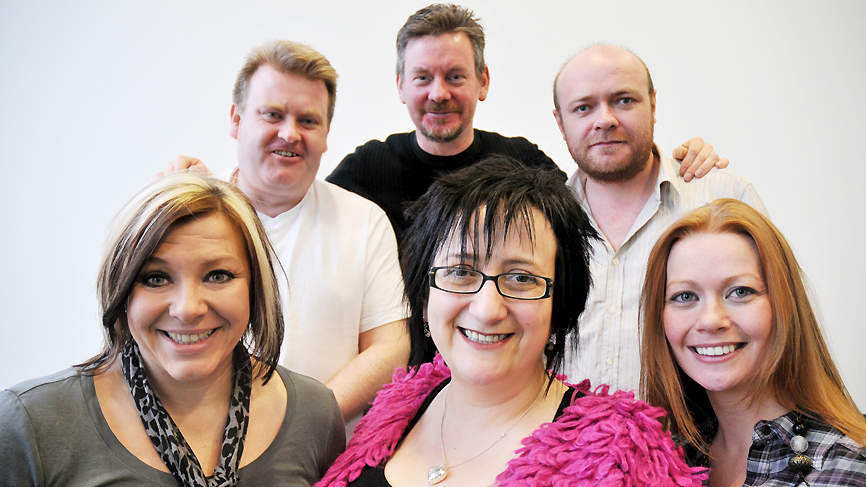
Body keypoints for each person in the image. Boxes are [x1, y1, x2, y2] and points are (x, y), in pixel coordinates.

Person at [314, 156, 706, 487]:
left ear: (560, 304)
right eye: (460, 271)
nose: (486, 309)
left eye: (521, 278)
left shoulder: (621, 455)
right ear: (424, 294)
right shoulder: (390, 411)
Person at [0, 173, 345, 486]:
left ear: (256, 287)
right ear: (120, 291)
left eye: (218, 275)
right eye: (155, 278)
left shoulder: (314, 414)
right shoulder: (29, 424)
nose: (188, 309)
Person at [162, 40, 408, 423]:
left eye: (308, 120)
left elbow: (390, 347)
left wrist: (298, 424)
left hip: (320, 461)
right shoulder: (186, 217)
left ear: (327, 133)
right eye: (273, 115)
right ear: (236, 119)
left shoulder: (365, 222)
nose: (290, 134)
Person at [326, 3, 723, 238]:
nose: (439, 93)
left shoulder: (521, 161)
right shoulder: (365, 169)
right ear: (400, 86)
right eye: (422, 78)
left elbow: (601, 196)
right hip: (400, 374)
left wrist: (683, 159)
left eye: (455, 76)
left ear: (483, 81)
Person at [553, 44, 768, 393]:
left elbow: (777, 327)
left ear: (653, 105)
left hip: (698, 445)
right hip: (563, 442)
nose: (605, 119)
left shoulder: (724, 197)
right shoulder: (541, 220)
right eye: (583, 107)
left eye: (624, 100)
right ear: (560, 123)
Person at [641, 198, 866, 486]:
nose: (710, 320)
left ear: (784, 305)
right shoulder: (662, 460)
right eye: (685, 296)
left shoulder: (844, 467)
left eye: (740, 292)